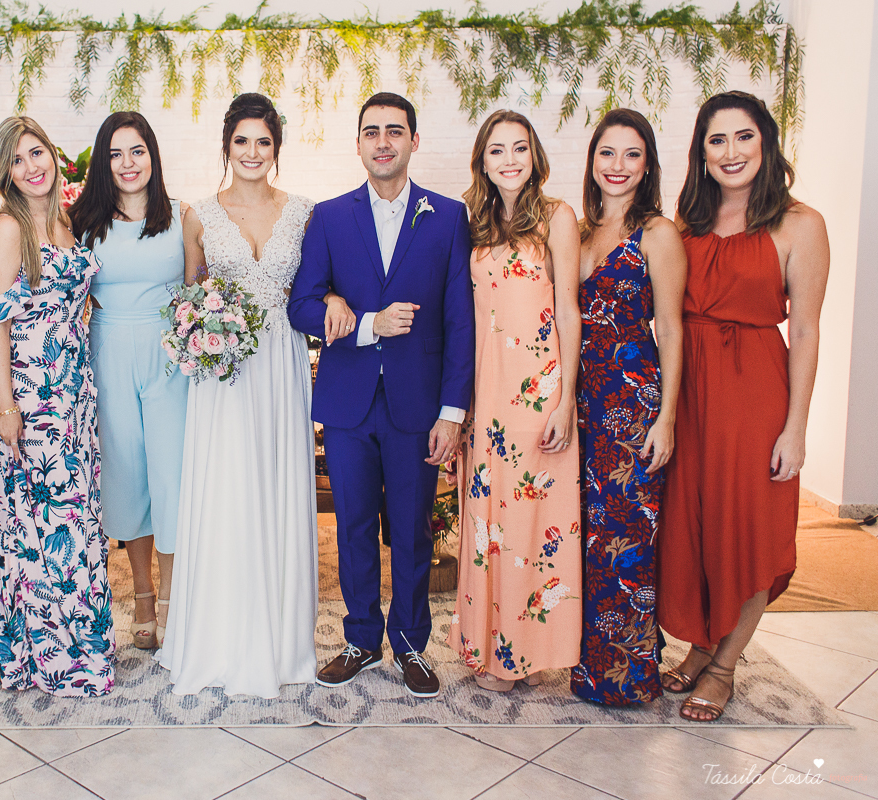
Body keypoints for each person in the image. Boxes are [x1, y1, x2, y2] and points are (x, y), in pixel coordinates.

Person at [288, 92, 474, 699]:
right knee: (354, 526)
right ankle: (362, 638)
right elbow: (302, 305)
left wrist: (452, 410)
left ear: (414, 141)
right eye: (372, 132)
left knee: (414, 529)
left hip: (418, 407)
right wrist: (360, 319)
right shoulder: (330, 216)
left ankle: (412, 644)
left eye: (395, 131)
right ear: (359, 143)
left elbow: (459, 321)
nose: (384, 142)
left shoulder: (447, 217)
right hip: (348, 404)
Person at [659, 91, 829, 721]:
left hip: (756, 394)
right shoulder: (685, 227)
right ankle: (703, 645)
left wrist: (796, 428)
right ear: (701, 154)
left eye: (744, 137)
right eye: (716, 140)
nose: (731, 152)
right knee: (696, 527)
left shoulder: (800, 224)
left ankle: (725, 666)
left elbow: (807, 331)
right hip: (691, 394)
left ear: (766, 143)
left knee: (750, 529)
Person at [157, 93, 318, 697]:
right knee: (226, 493)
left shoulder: (304, 212)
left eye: (264, 141)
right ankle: (220, 639)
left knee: (276, 488)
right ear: (227, 145)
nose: (252, 152)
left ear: (276, 148)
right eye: (242, 141)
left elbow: (315, 286)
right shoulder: (196, 213)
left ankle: (278, 642)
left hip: (280, 363)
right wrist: (200, 334)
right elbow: (189, 294)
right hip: (222, 376)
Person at [445, 109, 583, 693]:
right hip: (485, 396)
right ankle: (488, 650)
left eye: (519, 148)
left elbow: (571, 311)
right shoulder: (468, 222)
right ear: (482, 160)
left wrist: (566, 400)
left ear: (535, 155)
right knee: (486, 527)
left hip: (538, 395)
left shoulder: (557, 217)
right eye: (497, 150)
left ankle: (525, 655)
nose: (509, 159)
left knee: (532, 524)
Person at [0, 116, 114, 697]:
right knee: (41, 525)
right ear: (5, 174)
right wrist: (7, 406)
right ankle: (46, 659)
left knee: (78, 519)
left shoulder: (65, 219)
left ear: (53, 155)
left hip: (75, 390)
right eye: (18, 160)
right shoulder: (9, 227)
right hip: (32, 394)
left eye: (37, 152)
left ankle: (85, 652)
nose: (32, 166)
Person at [572, 109, 685, 705]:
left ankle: (630, 676)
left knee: (628, 538)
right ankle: (588, 665)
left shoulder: (658, 234)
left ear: (647, 165)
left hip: (632, 404)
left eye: (631, 154)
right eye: (607, 153)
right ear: (592, 162)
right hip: (583, 403)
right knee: (589, 537)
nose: (617, 166)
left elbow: (670, 327)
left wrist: (666, 418)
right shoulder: (583, 232)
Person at [67, 112, 188, 651]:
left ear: (153, 156)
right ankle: (141, 594)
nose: (127, 163)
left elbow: (196, 288)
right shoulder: (83, 222)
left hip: (169, 355)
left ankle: (172, 598)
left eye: (136, 151)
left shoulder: (182, 216)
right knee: (128, 475)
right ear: (102, 162)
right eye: (115, 154)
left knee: (170, 477)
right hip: (109, 348)